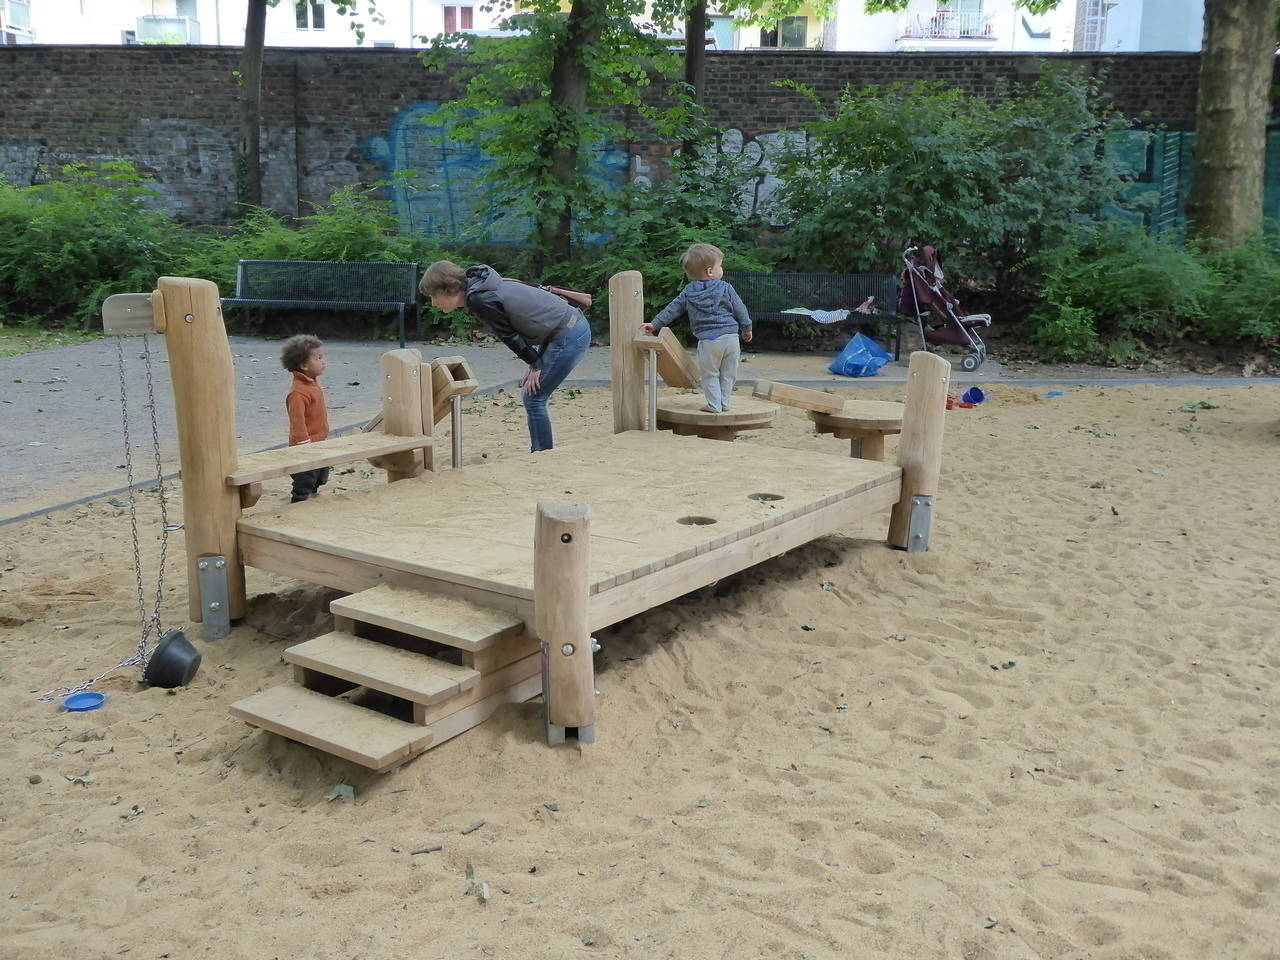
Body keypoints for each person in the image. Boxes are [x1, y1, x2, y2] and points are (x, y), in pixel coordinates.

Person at [420, 261, 590, 453]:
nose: (433, 303)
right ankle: (541, 452)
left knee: (534, 397)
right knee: (531, 390)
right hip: (565, 328)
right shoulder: (480, 286)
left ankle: (542, 454)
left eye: (434, 295)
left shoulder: (479, 298)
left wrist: (535, 364)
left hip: (569, 333)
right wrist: (534, 362)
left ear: (448, 288)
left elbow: (509, 335)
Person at [642, 243, 752, 413]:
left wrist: (654, 323)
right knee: (729, 373)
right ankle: (724, 403)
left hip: (708, 341)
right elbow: (740, 309)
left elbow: (672, 309)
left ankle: (714, 405)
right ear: (710, 271)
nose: (722, 269)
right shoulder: (726, 288)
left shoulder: (688, 291)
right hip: (731, 338)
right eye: (720, 266)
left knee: (710, 374)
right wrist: (746, 328)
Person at [279, 334, 329, 503]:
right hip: (305, 446)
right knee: (306, 476)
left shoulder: (312, 382)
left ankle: (313, 493)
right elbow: (297, 421)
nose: (323, 362)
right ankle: (300, 498)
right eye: (319, 358)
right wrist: (303, 444)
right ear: (304, 365)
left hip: (319, 441)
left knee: (321, 473)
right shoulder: (298, 392)